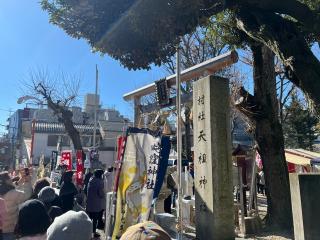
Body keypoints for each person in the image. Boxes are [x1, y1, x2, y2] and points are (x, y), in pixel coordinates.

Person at [0, 171, 32, 240]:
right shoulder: (13, 193)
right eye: (9, 177)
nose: (11, 178)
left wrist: (18, 182)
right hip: (9, 229)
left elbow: (9, 188)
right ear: (7, 180)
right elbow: (27, 194)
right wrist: (27, 182)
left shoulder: (5, 192)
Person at [86, 169, 105, 238]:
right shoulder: (100, 182)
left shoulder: (91, 180)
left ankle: (87, 232)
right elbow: (100, 194)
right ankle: (93, 233)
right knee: (95, 220)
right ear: (100, 175)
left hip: (89, 203)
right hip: (96, 204)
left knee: (89, 219)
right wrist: (104, 195)